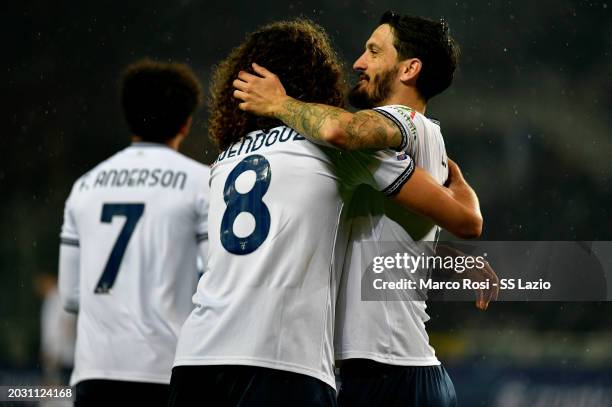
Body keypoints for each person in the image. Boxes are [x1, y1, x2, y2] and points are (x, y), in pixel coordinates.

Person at [170, 19, 481, 407]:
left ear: (409, 68)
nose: (357, 62)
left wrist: (278, 103)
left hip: (384, 368)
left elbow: (341, 133)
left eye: (373, 51)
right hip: (341, 367)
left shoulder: (387, 130)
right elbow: (335, 226)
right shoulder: (335, 158)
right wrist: (453, 245)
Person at [58, 59, 209, 407]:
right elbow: (218, 279)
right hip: (167, 370)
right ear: (186, 123)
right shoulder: (202, 183)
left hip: (95, 373)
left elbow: (70, 296)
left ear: (128, 115)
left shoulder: (85, 186)